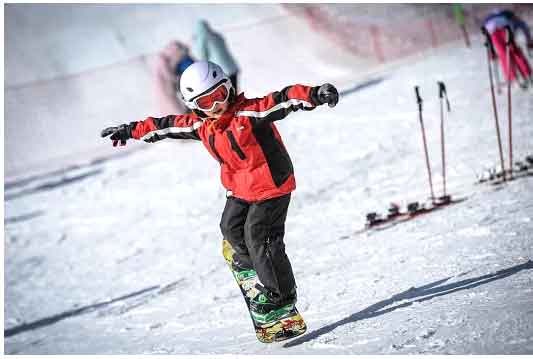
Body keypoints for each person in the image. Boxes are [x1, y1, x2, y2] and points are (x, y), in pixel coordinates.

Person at [101, 60, 339, 322]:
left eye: (220, 96)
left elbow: (282, 99)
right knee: (230, 228)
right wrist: (130, 130)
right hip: (240, 186)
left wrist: (315, 94)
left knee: (259, 235)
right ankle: (255, 262)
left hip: (272, 184)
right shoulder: (201, 126)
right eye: (206, 103)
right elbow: (164, 125)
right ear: (194, 107)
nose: (217, 106)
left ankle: (281, 295)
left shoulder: (249, 113)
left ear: (229, 89)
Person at [482, 9, 533, 86]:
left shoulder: (490, 19)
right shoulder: (514, 19)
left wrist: (491, 52)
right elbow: (524, 28)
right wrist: (529, 41)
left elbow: (486, 35)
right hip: (505, 28)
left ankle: (512, 78)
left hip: (491, 32)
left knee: (503, 55)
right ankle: (527, 73)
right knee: (515, 51)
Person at [193, 20, 240, 91]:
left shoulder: (202, 38)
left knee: (228, 95)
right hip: (232, 67)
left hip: (222, 71)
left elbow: (202, 56)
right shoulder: (217, 35)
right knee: (234, 91)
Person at [152, 40, 195, 116]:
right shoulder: (162, 60)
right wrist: (178, 78)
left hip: (167, 89)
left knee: (173, 106)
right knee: (173, 106)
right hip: (165, 89)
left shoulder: (165, 58)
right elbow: (168, 76)